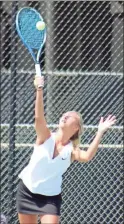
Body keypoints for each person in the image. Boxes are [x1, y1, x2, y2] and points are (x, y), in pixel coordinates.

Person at [16, 75, 116, 224]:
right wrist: (39, 89)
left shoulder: (72, 150)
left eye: (70, 116)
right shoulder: (45, 137)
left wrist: (100, 132)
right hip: (27, 191)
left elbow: (87, 156)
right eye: (64, 114)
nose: (65, 116)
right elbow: (38, 118)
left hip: (50, 198)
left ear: (76, 127)